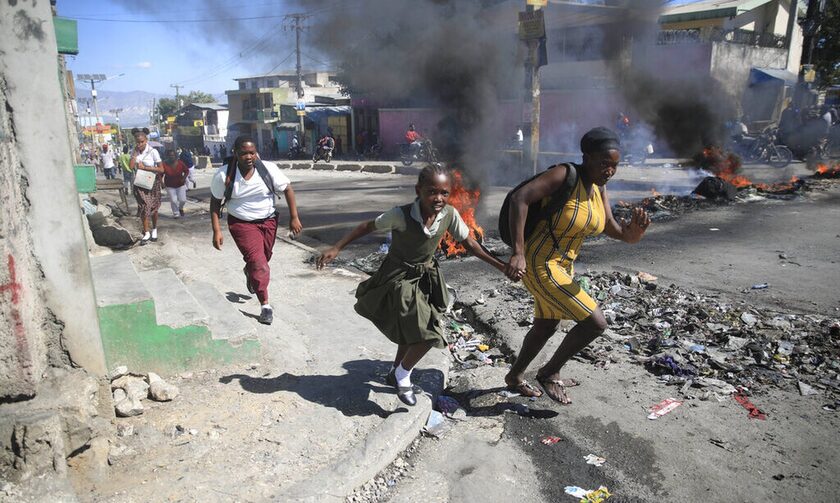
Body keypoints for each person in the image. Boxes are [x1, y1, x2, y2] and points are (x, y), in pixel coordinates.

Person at [316, 164, 512, 406]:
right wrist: (337, 247)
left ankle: (395, 372)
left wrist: (501, 266)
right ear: (418, 190)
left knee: (413, 330)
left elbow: (471, 244)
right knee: (429, 334)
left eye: (444, 193)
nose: (438, 198)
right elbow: (366, 226)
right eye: (432, 192)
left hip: (425, 277)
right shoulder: (401, 215)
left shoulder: (449, 214)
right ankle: (403, 375)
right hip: (398, 277)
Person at [503, 127, 651, 403]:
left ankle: (514, 376)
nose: (609, 171)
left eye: (615, 166)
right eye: (604, 163)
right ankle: (549, 372)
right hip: (539, 262)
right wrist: (518, 251)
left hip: (563, 265)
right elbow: (519, 198)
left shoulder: (598, 188)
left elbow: (609, 226)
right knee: (596, 323)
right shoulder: (564, 174)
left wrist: (632, 235)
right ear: (587, 157)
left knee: (547, 324)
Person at [209, 135, 303, 325]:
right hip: (242, 224)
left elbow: (288, 189)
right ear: (235, 153)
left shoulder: (268, 169)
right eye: (244, 153)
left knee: (264, 257)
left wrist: (294, 217)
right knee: (259, 263)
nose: (249, 157)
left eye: (252, 152)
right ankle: (265, 305)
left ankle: (249, 271)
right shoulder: (224, 174)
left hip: (268, 221)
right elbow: (215, 203)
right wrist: (216, 230)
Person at [130, 127, 164, 245]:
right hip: (140, 184)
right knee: (144, 207)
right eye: (137, 142)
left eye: (142, 142)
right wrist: (134, 154)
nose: (140, 144)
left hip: (152, 183)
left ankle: (154, 229)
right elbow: (130, 166)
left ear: (146, 140)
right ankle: (146, 232)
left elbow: (161, 169)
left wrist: (146, 168)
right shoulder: (134, 151)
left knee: (153, 208)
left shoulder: (153, 151)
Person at [162, 149, 191, 218]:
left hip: (180, 184)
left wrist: (183, 178)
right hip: (169, 185)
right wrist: (161, 183)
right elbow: (160, 175)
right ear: (167, 156)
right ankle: (176, 213)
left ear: (175, 156)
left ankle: (180, 208)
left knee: (183, 200)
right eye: (170, 155)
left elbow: (187, 171)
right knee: (173, 200)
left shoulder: (180, 163)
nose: (171, 157)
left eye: (173, 155)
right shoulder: (164, 164)